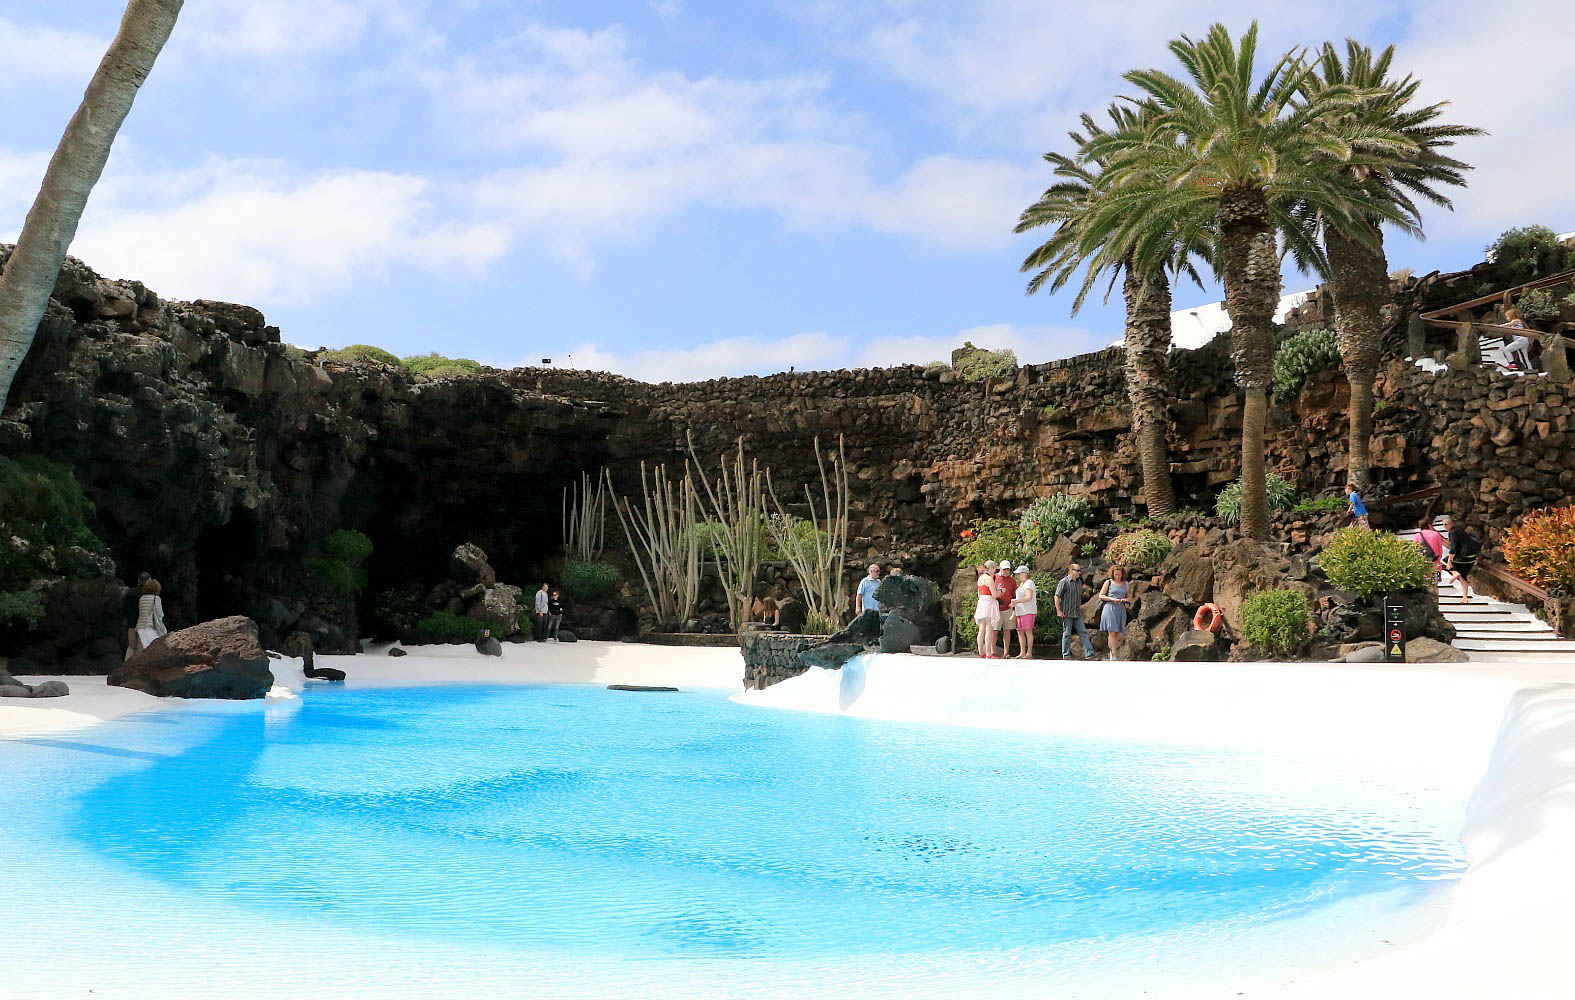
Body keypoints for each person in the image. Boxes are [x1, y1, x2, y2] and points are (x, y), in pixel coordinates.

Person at [1055, 562, 1095, 660]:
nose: (1079, 572)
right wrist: (1059, 610)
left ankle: (1089, 653)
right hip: (1066, 613)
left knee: (1083, 632)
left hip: (1077, 613)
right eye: (1077, 570)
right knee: (1067, 634)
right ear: (1071, 571)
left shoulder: (1079, 582)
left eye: (1080, 570)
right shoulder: (1063, 582)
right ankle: (1066, 654)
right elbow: (1057, 596)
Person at [1443, 515, 1482, 603]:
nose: (1444, 527)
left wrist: (1449, 562)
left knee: (1444, 562)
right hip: (1471, 557)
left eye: (1445, 524)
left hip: (1464, 557)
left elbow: (1453, 548)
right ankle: (1465, 598)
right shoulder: (1460, 530)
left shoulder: (1452, 532)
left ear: (1450, 524)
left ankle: (1455, 573)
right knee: (1463, 576)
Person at [1098, 566, 1131, 660]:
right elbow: (1101, 595)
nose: (1117, 576)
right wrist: (1112, 599)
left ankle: (1112, 652)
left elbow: (1130, 597)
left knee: (1116, 633)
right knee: (1112, 632)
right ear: (1112, 574)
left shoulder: (1125, 583)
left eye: (1119, 574)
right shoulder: (1108, 582)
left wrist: (1125, 600)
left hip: (1120, 608)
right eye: (1116, 574)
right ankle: (1113, 654)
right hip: (1110, 607)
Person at [1009, 565, 1037, 660]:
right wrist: (1015, 603)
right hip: (1020, 611)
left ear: (1025, 573)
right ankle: (1022, 652)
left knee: (1028, 631)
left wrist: (1017, 601)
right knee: (1020, 631)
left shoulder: (1029, 583)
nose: (1018, 576)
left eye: (1019, 574)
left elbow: (1029, 597)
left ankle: (1029, 653)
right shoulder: (1022, 584)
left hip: (1028, 611)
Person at [973, 561, 1001, 658]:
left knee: (981, 629)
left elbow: (979, 594)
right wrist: (1001, 591)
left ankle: (981, 652)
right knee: (989, 629)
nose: (995, 570)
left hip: (981, 603)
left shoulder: (980, 578)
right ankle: (988, 653)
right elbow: (994, 594)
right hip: (988, 603)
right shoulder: (989, 579)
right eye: (994, 568)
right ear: (991, 568)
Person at [122, 571, 151, 659]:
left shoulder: (130, 593)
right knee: (141, 649)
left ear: (138, 581)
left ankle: (125, 668)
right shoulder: (149, 594)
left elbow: (123, 607)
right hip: (144, 625)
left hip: (131, 624)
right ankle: (137, 670)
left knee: (131, 647)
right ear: (149, 581)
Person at [134, 578, 168, 651]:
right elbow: (159, 614)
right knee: (153, 650)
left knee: (141, 651)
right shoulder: (156, 598)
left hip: (140, 626)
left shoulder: (141, 598)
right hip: (150, 626)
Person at [995, 561, 1018, 657]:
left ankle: (1006, 652)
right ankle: (992, 651)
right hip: (996, 608)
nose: (1006, 571)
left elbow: (1014, 594)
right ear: (1000, 569)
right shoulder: (994, 578)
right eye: (1004, 569)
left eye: (1008, 569)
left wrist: (1012, 604)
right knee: (994, 630)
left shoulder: (1012, 580)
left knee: (1007, 630)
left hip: (1007, 608)